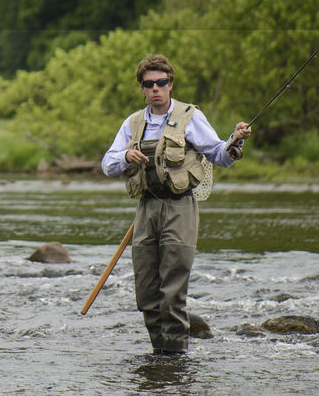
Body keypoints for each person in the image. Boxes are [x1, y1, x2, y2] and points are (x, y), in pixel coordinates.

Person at [100, 53, 251, 354]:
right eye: (148, 84)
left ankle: (175, 360)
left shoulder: (191, 117)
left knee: (172, 292)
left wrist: (235, 140)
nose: (155, 88)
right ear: (142, 88)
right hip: (145, 210)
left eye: (161, 82)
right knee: (146, 293)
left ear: (171, 84)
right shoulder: (132, 123)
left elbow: (219, 155)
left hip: (180, 208)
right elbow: (107, 163)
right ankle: (161, 357)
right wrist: (125, 156)